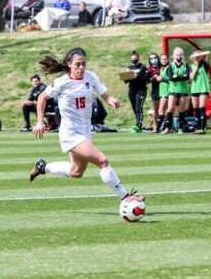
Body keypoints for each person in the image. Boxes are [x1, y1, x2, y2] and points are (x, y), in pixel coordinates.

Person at [29, 47, 144, 203]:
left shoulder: (90, 77)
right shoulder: (62, 82)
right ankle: (126, 197)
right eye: (77, 64)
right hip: (70, 133)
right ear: (69, 64)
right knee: (102, 161)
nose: (81, 68)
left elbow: (105, 95)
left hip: (84, 133)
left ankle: (43, 167)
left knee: (76, 172)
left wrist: (111, 100)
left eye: (84, 64)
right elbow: (42, 97)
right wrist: (40, 122)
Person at [164, 47, 190, 134]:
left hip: (182, 89)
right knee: (170, 108)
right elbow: (171, 78)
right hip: (173, 89)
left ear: (182, 55)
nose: (178, 56)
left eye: (180, 54)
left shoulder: (186, 65)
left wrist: (178, 77)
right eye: (177, 54)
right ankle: (168, 128)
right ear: (174, 56)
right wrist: (181, 77)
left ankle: (180, 128)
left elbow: (187, 77)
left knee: (182, 109)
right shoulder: (171, 65)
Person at [124, 51, 149, 133]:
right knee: (135, 108)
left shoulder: (142, 67)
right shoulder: (129, 68)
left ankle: (138, 125)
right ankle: (138, 125)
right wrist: (126, 74)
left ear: (138, 58)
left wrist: (136, 77)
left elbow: (146, 79)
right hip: (131, 90)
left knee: (139, 108)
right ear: (130, 59)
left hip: (140, 90)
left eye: (135, 58)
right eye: (132, 58)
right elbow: (125, 81)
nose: (134, 59)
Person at [189, 50, 211, 134]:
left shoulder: (205, 64)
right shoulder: (191, 66)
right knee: (196, 109)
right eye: (196, 57)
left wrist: (198, 55)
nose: (197, 58)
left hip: (203, 89)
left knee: (202, 108)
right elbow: (192, 77)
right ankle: (198, 128)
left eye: (199, 56)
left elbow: (208, 53)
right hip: (195, 89)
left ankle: (203, 128)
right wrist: (196, 67)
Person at [154, 54, 169, 133]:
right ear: (160, 60)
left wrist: (161, 79)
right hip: (162, 91)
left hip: (167, 91)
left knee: (161, 110)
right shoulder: (162, 69)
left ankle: (159, 128)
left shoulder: (168, 68)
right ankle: (166, 128)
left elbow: (171, 80)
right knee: (166, 111)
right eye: (163, 59)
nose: (164, 61)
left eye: (165, 59)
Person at [147, 52, 161, 132]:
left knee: (164, 109)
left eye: (154, 58)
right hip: (155, 90)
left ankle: (166, 126)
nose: (153, 60)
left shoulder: (162, 67)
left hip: (163, 89)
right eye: (151, 58)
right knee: (156, 109)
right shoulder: (149, 69)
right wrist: (153, 78)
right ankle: (156, 126)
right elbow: (147, 82)